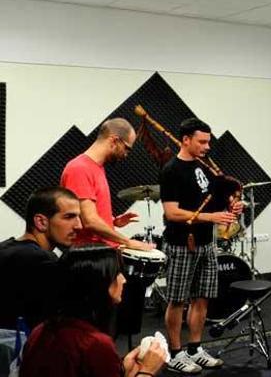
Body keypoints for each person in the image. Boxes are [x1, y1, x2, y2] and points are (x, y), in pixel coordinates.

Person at [160, 117, 242, 374]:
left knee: (202, 298)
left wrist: (232, 208)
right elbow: (172, 212)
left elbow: (216, 204)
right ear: (186, 140)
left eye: (209, 141)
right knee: (177, 300)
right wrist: (210, 217)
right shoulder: (171, 170)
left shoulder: (205, 169)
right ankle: (175, 353)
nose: (207, 146)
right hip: (181, 243)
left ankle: (195, 348)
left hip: (206, 243)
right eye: (202, 141)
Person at [19, 244, 166, 377]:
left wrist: (121, 370)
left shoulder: (40, 331)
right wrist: (147, 371)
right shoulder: (95, 344)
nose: (123, 280)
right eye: (116, 273)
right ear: (98, 284)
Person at [0, 187, 82, 375]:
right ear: (41, 222)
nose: (79, 225)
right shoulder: (44, 262)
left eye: (78, 217)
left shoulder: (5, 247)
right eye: (69, 217)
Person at [60, 118, 152, 251]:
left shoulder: (97, 168)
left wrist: (112, 221)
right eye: (127, 148)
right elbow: (89, 221)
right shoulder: (79, 168)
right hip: (91, 256)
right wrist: (127, 242)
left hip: (102, 252)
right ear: (114, 140)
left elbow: (89, 212)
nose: (126, 154)